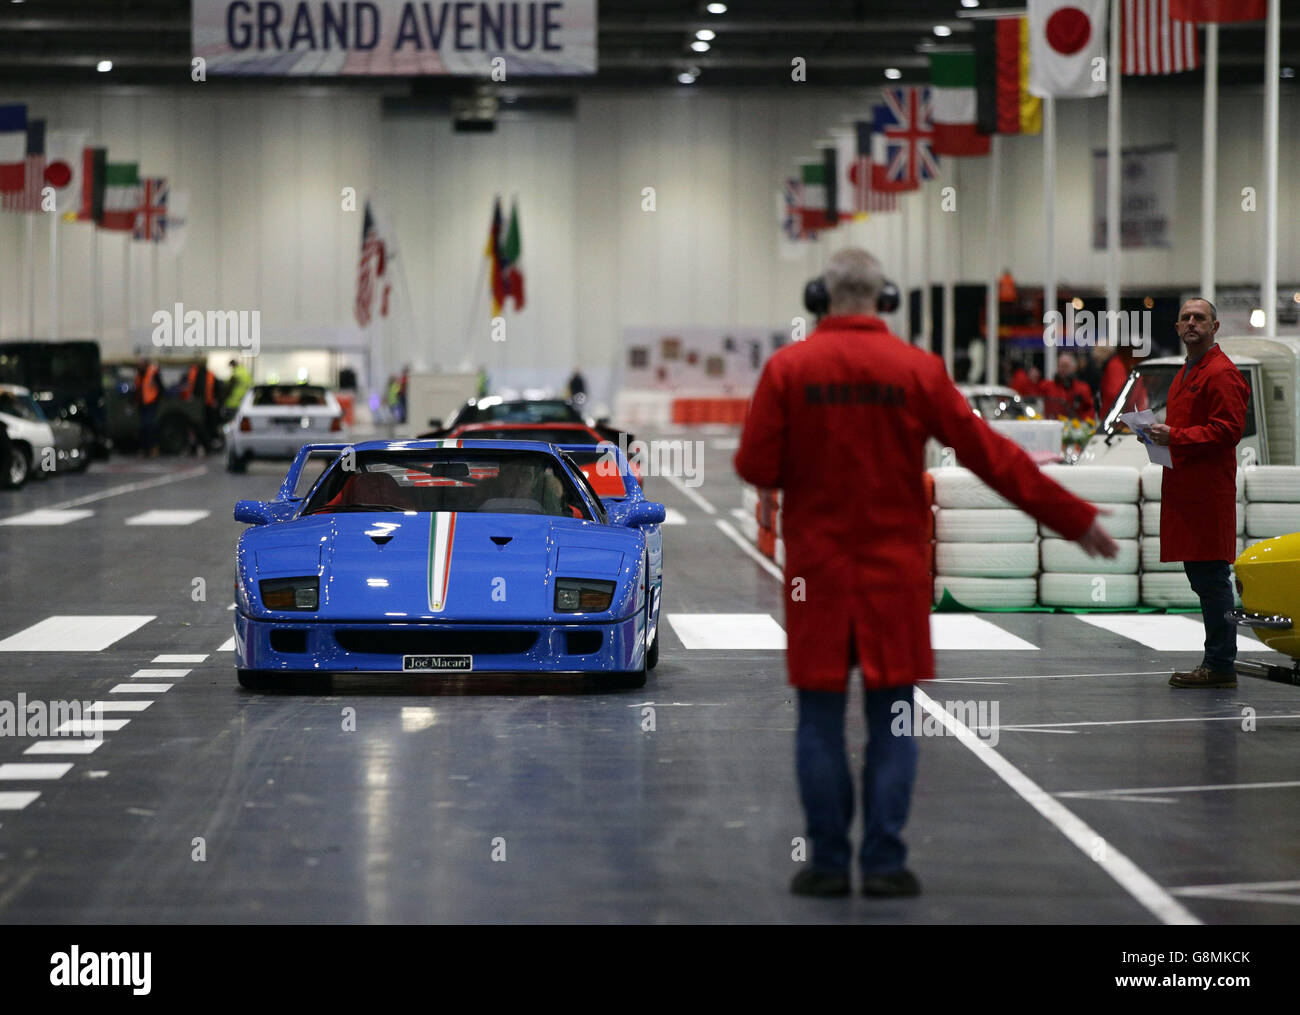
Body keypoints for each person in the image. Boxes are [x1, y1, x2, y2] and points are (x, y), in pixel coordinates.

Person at [734, 248, 1118, 899]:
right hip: (894, 579)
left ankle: (827, 862)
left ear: (819, 298)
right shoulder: (917, 370)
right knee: (894, 718)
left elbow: (754, 466)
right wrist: (1072, 514)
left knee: (819, 721)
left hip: (817, 578)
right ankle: (884, 863)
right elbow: (991, 454)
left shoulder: (787, 369)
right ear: (886, 299)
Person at [1146, 298, 1249, 689]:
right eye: (1185, 318)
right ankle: (1217, 660)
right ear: (1176, 328)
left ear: (1215, 326)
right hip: (1187, 489)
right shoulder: (1187, 372)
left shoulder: (1220, 373)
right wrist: (1158, 435)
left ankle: (1221, 664)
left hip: (1206, 492)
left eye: (1199, 318)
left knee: (1212, 579)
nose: (1192, 323)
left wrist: (1175, 436)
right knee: (1204, 578)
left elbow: (1228, 431)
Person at [1039, 352, 1095, 420]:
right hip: (1052, 424)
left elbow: (1090, 409)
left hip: (1073, 426)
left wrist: (1081, 422)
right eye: (1060, 366)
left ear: (1073, 368)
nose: (1062, 369)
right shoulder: (1047, 386)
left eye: (1065, 366)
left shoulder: (1082, 388)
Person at [183, 360, 220, 451]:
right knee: (200, 425)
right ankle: (203, 445)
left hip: (206, 404)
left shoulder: (206, 374)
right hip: (199, 404)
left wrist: (215, 399)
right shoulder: (196, 373)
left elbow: (216, 388)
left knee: (204, 425)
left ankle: (206, 445)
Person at [134, 356, 161, 457]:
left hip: (150, 403)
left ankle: (152, 447)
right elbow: (137, 389)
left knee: (149, 426)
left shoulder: (152, 373)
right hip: (142, 404)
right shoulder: (139, 375)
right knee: (143, 427)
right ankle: (145, 449)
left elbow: (160, 388)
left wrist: (156, 400)